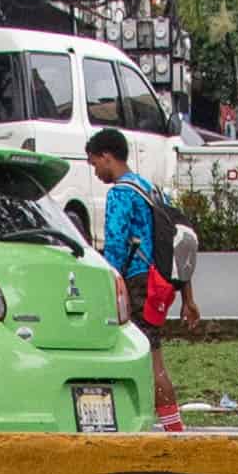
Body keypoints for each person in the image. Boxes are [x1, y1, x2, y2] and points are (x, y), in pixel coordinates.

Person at [85, 123, 179, 327]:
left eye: (95, 164)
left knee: (139, 343)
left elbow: (116, 244)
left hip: (135, 278)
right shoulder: (150, 189)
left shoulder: (120, 193)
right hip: (157, 275)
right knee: (152, 342)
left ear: (106, 157)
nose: (96, 172)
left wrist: (109, 282)